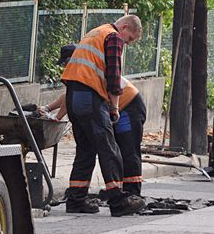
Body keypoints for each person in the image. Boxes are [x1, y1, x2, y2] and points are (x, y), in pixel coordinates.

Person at [60, 15, 146, 217]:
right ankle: (118, 200)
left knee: (86, 150)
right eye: (130, 38)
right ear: (124, 27)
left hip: (74, 97)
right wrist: (115, 108)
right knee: (109, 149)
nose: (127, 43)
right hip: (91, 98)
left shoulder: (95, 32)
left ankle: (76, 200)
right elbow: (113, 75)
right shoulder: (113, 37)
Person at [40, 45, 147, 197]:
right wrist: (48, 109)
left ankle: (132, 192)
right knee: (107, 149)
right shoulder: (80, 71)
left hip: (129, 107)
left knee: (127, 149)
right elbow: (69, 95)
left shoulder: (88, 70)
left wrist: (56, 117)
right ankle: (116, 191)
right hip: (114, 109)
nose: (65, 66)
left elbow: (69, 97)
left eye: (66, 62)